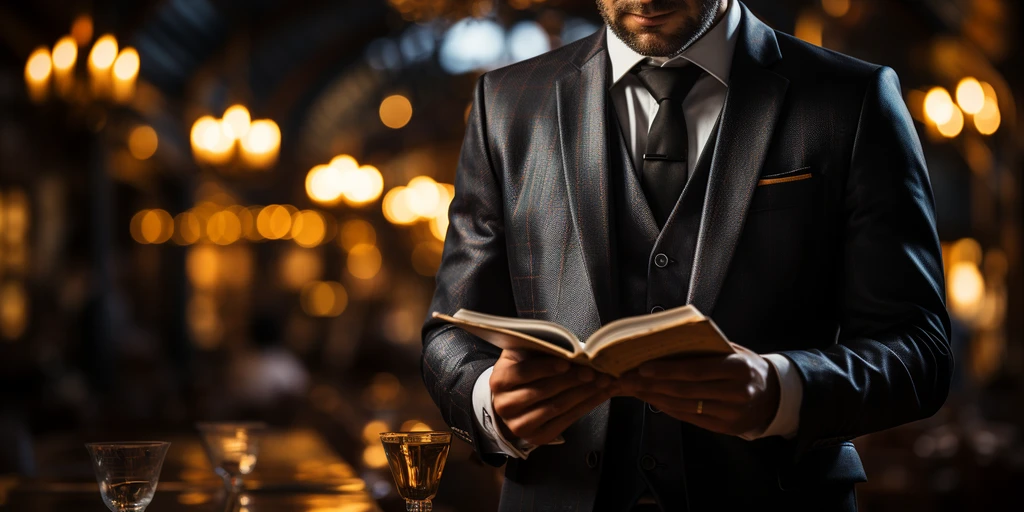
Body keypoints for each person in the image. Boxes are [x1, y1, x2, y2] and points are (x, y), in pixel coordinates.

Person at [421, 0, 953, 510]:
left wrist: (781, 390)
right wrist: (489, 401)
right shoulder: (506, 102)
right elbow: (449, 332)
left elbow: (919, 349)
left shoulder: (851, 98)